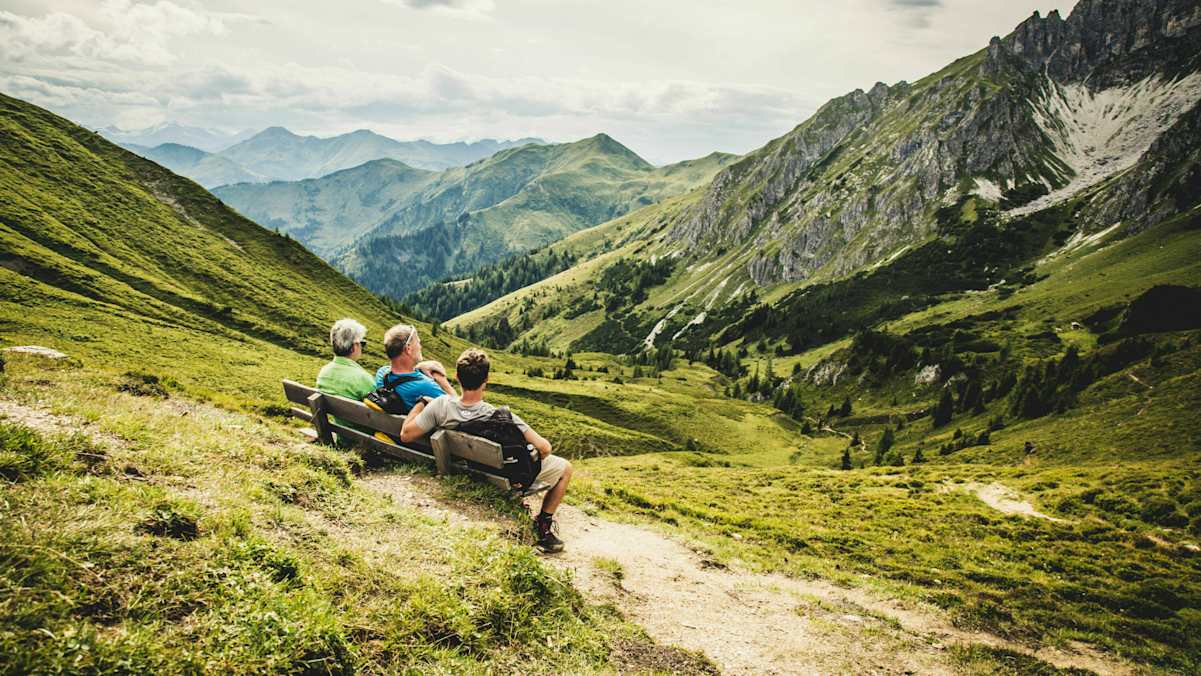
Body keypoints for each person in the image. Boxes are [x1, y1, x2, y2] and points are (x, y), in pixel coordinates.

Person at [400, 348, 572, 553]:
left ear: (457, 377)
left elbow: (406, 434)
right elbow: (545, 448)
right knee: (565, 468)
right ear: (486, 380)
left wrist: (421, 403)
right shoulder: (500, 416)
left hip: (463, 469)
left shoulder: (439, 406)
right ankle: (543, 525)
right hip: (500, 477)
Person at [375, 323, 455, 412]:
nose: (420, 347)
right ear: (408, 349)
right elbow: (458, 409)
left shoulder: (382, 374)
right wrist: (442, 380)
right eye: (418, 342)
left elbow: (400, 370)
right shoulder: (425, 386)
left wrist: (419, 366)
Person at [316, 318, 376, 432]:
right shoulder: (362, 378)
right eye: (362, 343)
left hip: (340, 436)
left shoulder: (323, 373)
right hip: (364, 442)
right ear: (354, 347)